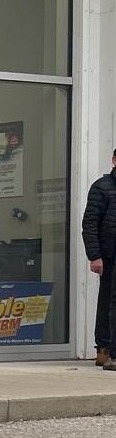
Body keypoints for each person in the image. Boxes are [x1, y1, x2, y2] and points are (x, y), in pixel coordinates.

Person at [81, 148, 116, 368]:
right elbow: (90, 224)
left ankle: (107, 349)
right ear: (114, 160)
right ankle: (106, 349)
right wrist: (95, 256)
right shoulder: (101, 187)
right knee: (108, 302)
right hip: (109, 255)